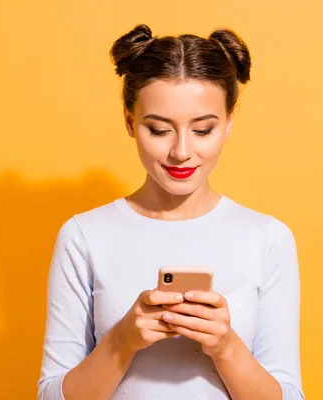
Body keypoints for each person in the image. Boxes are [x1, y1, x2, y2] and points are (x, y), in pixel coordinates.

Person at [37, 24, 304, 400]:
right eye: (160, 130)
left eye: (203, 130)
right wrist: (123, 340)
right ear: (131, 122)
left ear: (228, 122)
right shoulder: (84, 235)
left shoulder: (267, 238)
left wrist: (226, 347)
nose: (181, 151)